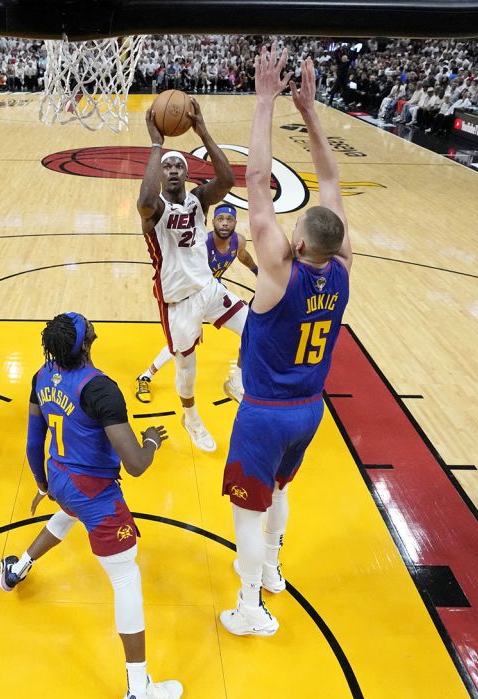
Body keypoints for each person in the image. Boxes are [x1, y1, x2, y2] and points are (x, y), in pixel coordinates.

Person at [219, 49, 352, 637]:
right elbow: (329, 180)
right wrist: (311, 112)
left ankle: (250, 606)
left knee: (245, 512)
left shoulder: (279, 271)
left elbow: (254, 181)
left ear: (298, 239)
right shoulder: (344, 264)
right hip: (310, 411)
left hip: (266, 413)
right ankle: (272, 569)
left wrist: (266, 100)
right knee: (276, 492)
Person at [0, 312, 182, 699]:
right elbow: (134, 464)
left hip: (60, 475)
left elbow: (33, 442)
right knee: (126, 578)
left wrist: (44, 485)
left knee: (66, 513)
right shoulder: (101, 389)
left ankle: (17, 569)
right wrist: (150, 441)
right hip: (95, 492)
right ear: (85, 343)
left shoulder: (41, 376)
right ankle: (139, 691)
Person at [135, 97, 239, 452]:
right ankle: (191, 418)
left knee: (259, 327)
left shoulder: (198, 201)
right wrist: (156, 145)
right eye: (168, 167)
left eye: (180, 165)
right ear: (160, 174)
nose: (175, 170)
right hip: (177, 301)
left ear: (188, 172)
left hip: (208, 288)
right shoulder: (155, 210)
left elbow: (227, 179)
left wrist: (202, 129)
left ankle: (237, 380)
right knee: (187, 368)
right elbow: (145, 201)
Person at [137, 202, 256, 403]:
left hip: (213, 293)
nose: (225, 223)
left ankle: (237, 381)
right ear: (212, 222)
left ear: (236, 222)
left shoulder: (239, 241)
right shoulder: (200, 244)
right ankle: (146, 376)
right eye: (221, 219)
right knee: (181, 344)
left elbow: (243, 256)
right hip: (190, 296)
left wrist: (257, 272)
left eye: (229, 219)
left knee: (252, 327)